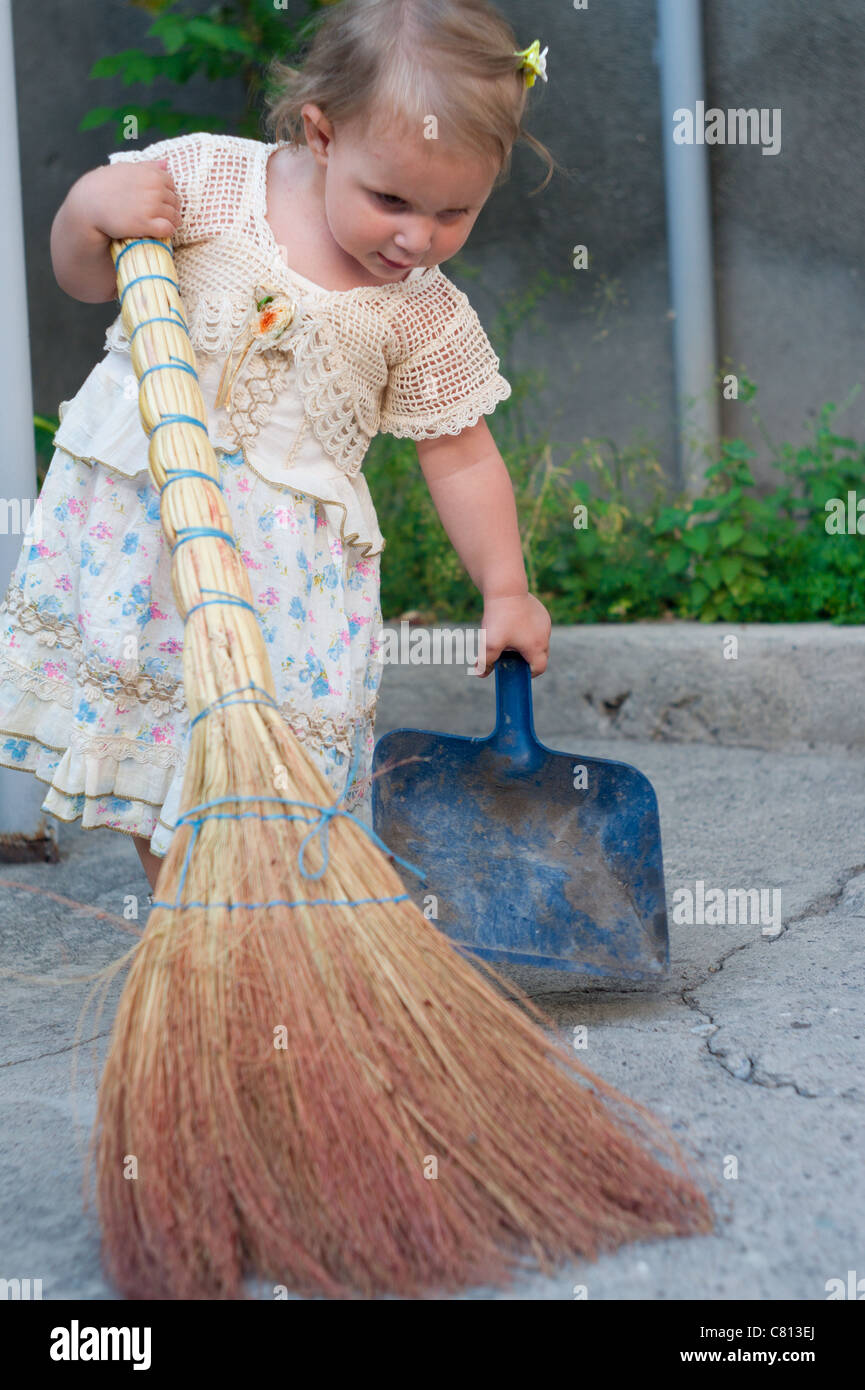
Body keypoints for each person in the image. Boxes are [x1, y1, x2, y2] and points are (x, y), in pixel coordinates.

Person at [0, 0, 553, 898]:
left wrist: (506, 589)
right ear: (321, 132)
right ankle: (205, 930)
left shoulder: (424, 311)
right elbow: (87, 276)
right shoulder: (207, 184)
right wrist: (86, 209)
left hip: (284, 585)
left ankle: (252, 924)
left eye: (455, 212)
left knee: (270, 770)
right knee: (170, 765)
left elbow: (460, 453)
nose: (418, 237)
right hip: (152, 541)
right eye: (392, 201)